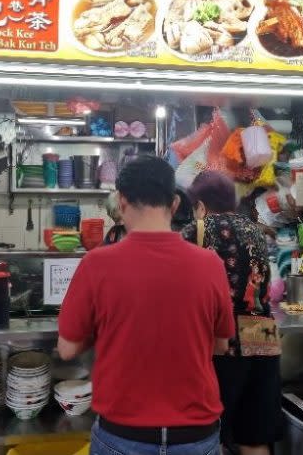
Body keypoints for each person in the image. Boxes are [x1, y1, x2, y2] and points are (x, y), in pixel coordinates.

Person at [58, 156, 234, 455]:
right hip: (195, 436)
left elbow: (67, 349)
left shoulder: (96, 264)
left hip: (122, 435)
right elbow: (221, 344)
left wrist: (107, 329)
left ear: (122, 201)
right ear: (175, 204)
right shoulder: (210, 265)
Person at [182, 171, 284, 455]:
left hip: (221, 343)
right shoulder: (255, 230)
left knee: (216, 433)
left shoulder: (196, 230)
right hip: (263, 337)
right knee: (254, 434)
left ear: (200, 205)